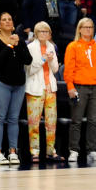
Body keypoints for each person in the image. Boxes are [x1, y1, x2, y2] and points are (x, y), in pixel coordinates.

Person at [0, 12, 33, 165]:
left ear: (13, 24)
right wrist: (9, 46)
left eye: (10, 19)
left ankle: (13, 151)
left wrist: (18, 44)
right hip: (1, 82)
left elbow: (28, 60)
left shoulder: (20, 41)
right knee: (0, 117)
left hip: (18, 83)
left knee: (14, 119)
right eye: (4, 20)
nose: (7, 22)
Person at [64, 17, 96, 163]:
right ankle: (74, 150)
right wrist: (70, 87)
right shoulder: (73, 46)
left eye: (90, 27)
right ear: (80, 29)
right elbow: (68, 70)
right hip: (79, 87)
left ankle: (92, 150)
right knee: (76, 120)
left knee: (93, 121)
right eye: (85, 27)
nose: (88, 30)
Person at [25, 22, 60, 162]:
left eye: (46, 31)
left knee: (51, 122)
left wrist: (50, 61)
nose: (44, 34)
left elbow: (56, 69)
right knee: (34, 122)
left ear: (50, 34)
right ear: (36, 33)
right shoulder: (30, 47)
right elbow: (30, 70)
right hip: (35, 88)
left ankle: (51, 151)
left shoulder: (52, 46)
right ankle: (34, 152)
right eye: (41, 31)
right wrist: (43, 59)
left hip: (50, 88)